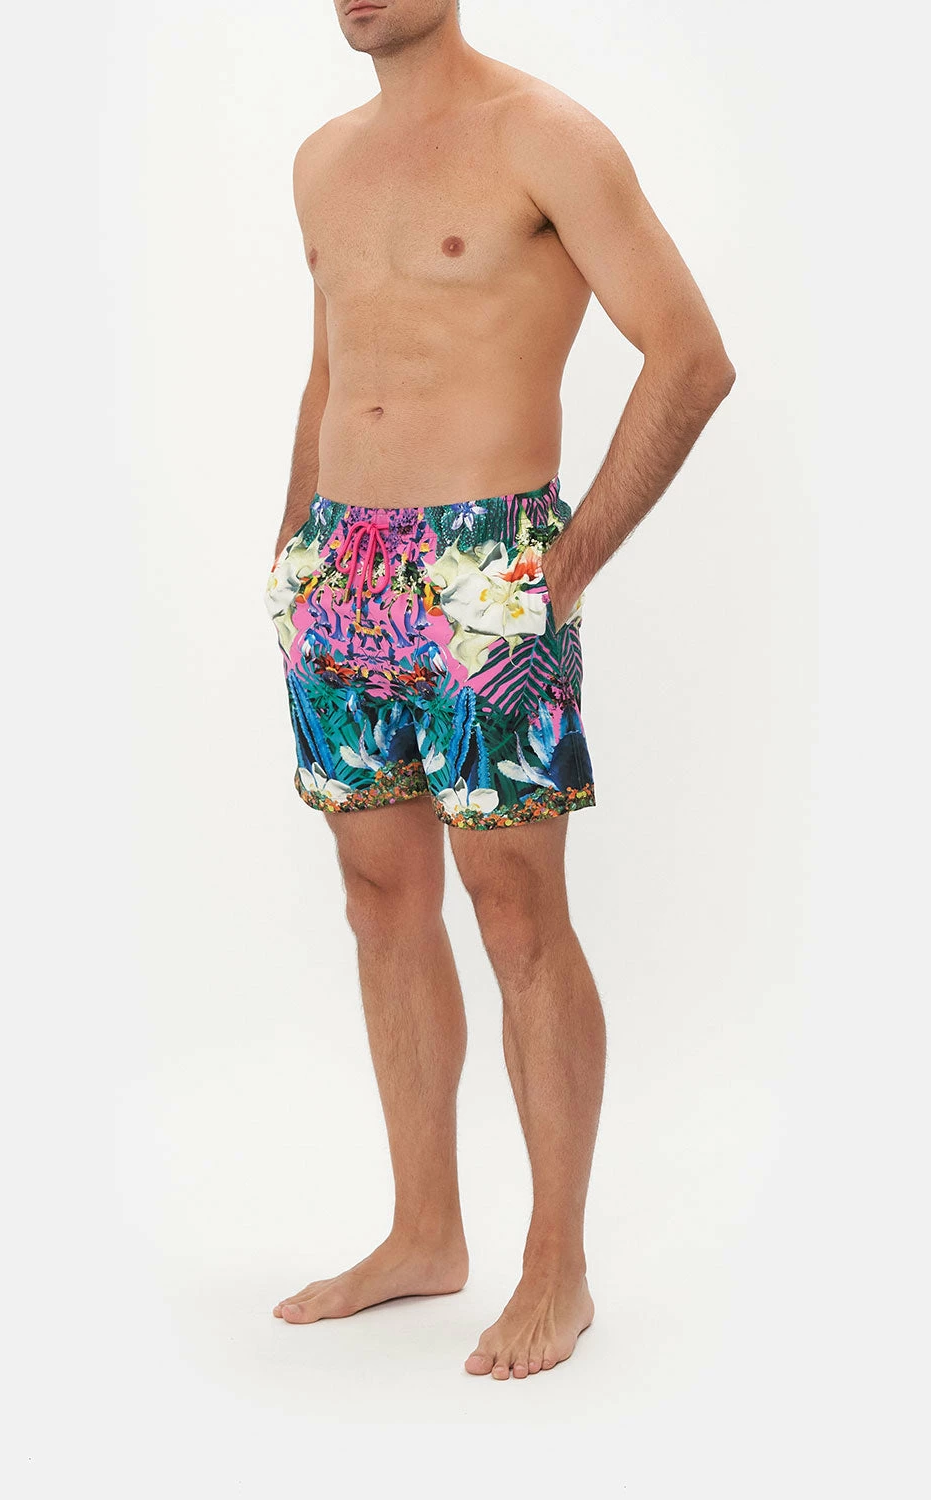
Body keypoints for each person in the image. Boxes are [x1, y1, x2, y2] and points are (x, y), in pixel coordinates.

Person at [267, 0, 734, 1380]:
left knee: (517, 909)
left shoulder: (546, 137)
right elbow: (332, 369)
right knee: (378, 898)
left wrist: (559, 574)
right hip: (341, 571)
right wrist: (291, 557)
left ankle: (557, 1266)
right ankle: (423, 1232)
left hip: (488, 570)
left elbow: (692, 354)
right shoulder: (321, 158)